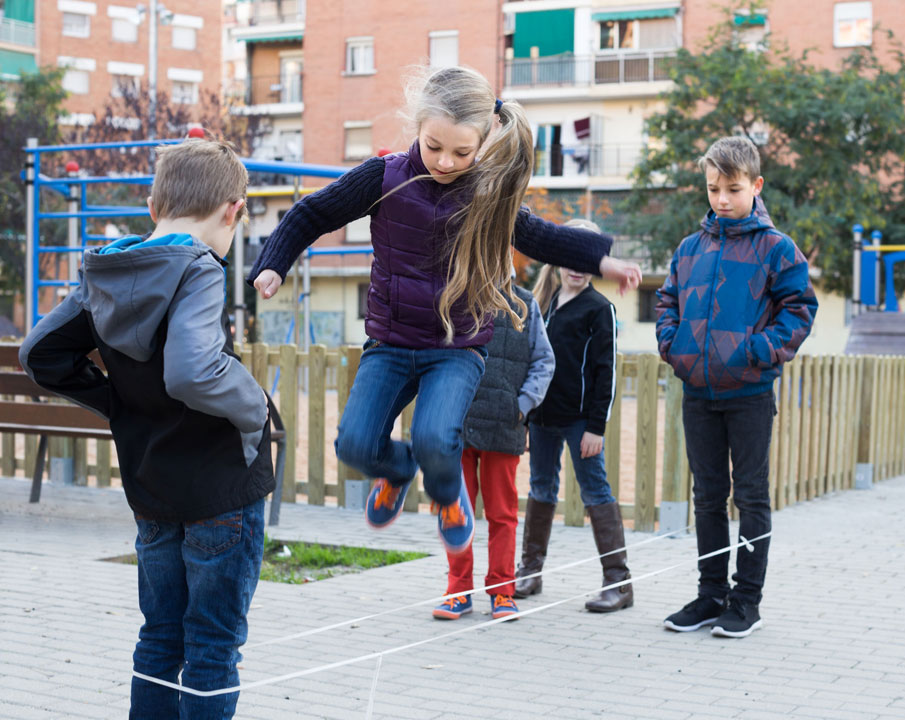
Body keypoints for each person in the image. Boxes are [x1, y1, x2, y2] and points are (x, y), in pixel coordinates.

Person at [247, 66, 641, 555]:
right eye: (434, 146)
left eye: (462, 152)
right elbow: (313, 212)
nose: (446, 162)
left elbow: (543, 237)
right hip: (390, 342)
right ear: (418, 125)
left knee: (436, 438)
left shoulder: (487, 196)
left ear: (483, 142)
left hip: (457, 350)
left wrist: (603, 260)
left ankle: (449, 496)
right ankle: (396, 471)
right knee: (353, 444)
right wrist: (274, 265)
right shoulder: (384, 177)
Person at [20, 138, 271, 717]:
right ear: (234, 210)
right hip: (221, 490)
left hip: (151, 490)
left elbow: (40, 353)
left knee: (160, 640)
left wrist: (115, 401)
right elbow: (191, 371)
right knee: (211, 650)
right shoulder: (200, 268)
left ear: (153, 207)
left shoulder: (107, 269)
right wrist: (254, 403)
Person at [656, 136, 817, 638]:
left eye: (732, 189)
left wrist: (756, 351)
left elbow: (800, 309)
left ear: (756, 185)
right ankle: (710, 595)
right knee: (706, 496)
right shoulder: (690, 248)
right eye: (713, 189)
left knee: (749, 496)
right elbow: (667, 303)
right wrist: (673, 345)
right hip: (699, 392)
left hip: (748, 392)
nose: (722, 199)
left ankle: (746, 602)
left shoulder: (777, 249)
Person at [515, 220, 633, 613]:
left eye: (586, 260)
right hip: (544, 419)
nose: (577, 267)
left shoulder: (600, 309)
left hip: (581, 422)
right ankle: (530, 571)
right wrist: (529, 417)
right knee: (541, 489)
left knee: (595, 490)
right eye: (571, 258)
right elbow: (532, 363)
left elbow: (607, 373)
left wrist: (596, 427)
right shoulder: (543, 305)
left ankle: (618, 582)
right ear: (558, 259)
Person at [433, 280, 555, 621]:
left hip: (504, 425)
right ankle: (458, 591)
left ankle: (502, 592)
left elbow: (544, 361)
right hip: (458, 421)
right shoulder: (454, 296)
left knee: (502, 513)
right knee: (456, 511)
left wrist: (521, 406)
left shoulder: (525, 303)